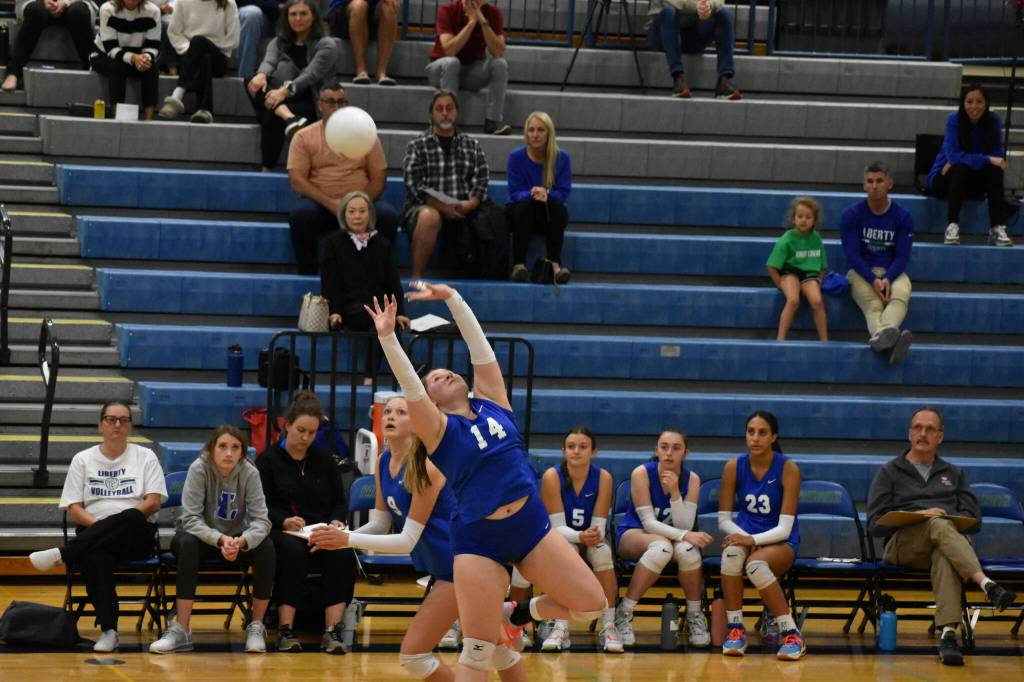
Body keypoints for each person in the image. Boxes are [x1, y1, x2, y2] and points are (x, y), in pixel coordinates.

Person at [365, 284, 606, 681]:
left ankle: (518, 614)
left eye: (448, 370)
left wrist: (453, 299)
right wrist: (389, 337)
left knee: (593, 604)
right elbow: (411, 386)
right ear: (432, 402)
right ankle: (498, 628)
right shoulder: (439, 429)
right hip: (479, 540)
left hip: (529, 525)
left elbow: (481, 350)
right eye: (436, 379)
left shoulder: (493, 401)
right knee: (477, 654)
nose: (446, 373)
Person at [309, 395, 528, 681]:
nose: (390, 416)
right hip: (449, 568)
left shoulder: (427, 465)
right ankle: (503, 614)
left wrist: (346, 540)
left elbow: (407, 540)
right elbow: (379, 523)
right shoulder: (384, 460)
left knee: (415, 654)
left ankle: (506, 612)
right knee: (497, 648)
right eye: (387, 411)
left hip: (466, 566)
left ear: (418, 423)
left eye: (401, 412)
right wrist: (335, 535)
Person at [867, 406, 1017, 666]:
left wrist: (945, 520)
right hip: (904, 546)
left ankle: (948, 635)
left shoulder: (954, 473)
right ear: (909, 433)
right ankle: (986, 584)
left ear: (940, 437)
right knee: (936, 523)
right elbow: (874, 524)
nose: (923, 433)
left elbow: (974, 521)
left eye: (930, 429)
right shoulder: (889, 471)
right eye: (917, 427)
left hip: (947, 547)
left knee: (943, 548)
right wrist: (919, 515)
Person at [28, 401, 167, 653]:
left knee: (132, 516)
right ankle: (109, 631)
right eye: (111, 419)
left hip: (135, 536)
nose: (117, 424)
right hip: (93, 535)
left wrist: (116, 523)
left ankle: (63, 554)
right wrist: (101, 527)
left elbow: (153, 502)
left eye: (123, 420)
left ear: (130, 427)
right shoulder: (83, 459)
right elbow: (73, 507)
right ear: (100, 424)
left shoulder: (146, 456)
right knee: (95, 553)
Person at [149, 425, 276, 654]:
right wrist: (220, 539)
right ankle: (182, 629)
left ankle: (256, 625)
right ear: (212, 448)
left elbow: (262, 521)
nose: (228, 453)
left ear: (242, 452)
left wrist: (243, 541)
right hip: (200, 537)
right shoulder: (199, 468)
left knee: (267, 547)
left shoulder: (250, 472)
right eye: (223, 446)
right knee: (186, 544)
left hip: (237, 541)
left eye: (235, 448)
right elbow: (190, 519)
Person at [256, 390, 359, 654]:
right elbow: (260, 506)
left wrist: (337, 521)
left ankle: (332, 631)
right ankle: (286, 629)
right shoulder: (267, 461)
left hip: (321, 530)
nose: (305, 438)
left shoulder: (324, 460)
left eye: (312, 433)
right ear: (287, 425)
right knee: (292, 552)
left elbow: (339, 500)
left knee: (342, 552)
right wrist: (284, 521)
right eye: (300, 430)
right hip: (284, 530)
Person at [718, 410, 805, 660]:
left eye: (762, 433)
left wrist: (753, 541)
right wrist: (745, 538)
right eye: (751, 432)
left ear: (773, 437)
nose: (755, 438)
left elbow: (785, 528)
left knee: (755, 565)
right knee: (731, 555)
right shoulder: (733, 466)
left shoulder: (788, 468)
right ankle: (735, 629)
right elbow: (723, 520)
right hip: (745, 535)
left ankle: (791, 634)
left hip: (781, 541)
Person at [287, 81, 399, 274]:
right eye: (330, 102)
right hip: (322, 205)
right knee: (300, 216)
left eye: (341, 102)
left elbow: (379, 176)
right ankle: (309, 275)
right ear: (320, 105)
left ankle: (375, 275)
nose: (337, 107)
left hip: (360, 203)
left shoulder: (365, 133)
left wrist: (357, 205)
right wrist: (331, 203)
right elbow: (297, 180)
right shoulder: (304, 136)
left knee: (388, 216)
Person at [613, 430, 711, 649]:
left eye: (676, 448)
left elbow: (684, 525)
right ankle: (624, 613)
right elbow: (648, 523)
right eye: (664, 447)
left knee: (688, 551)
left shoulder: (692, 479)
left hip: (672, 538)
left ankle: (695, 616)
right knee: (662, 547)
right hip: (634, 534)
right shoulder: (642, 473)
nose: (669, 453)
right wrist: (686, 535)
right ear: (656, 450)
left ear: (685, 452)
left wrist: (675, 493)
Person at [528, 427, 621, 653]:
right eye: (571, 447)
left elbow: (599, 524)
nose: (576, 451)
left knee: (602, 552)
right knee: (566, 550)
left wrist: (592, 535)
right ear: (564, 451)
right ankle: (561, 626)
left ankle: (609, 624)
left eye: (583, 447)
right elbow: (557, 527)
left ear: (594, 452)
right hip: (562, 537)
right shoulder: (552, 476)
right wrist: (579, 537)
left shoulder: (603, 478)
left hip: (589, 537)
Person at [319, 190, 409, 384]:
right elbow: (330, 282)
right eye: (351, 211)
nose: (357, 216)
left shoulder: (383, 244)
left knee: (380, 324)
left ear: (370, 214)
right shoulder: (333, 244)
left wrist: (400, 311)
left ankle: (370, 377)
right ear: (344, 215)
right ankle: (408, 372)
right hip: (349, 308)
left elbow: (393, 282)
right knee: (382, 321)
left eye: (362, 211)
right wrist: (333, 310)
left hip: (377, 308)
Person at [403, 90, 490, 279]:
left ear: (456, 112)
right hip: (424, 208)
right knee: (429, 217)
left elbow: (481, 179)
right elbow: (413, 184)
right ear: (432, 113)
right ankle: (416, 280)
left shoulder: (472, 145)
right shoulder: (417, 145)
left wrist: (470, 204)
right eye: (439, 109)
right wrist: (442, 207)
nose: (444, 113)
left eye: (449, 108)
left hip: (463, 209)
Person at [245, 0, 338, 171]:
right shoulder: (279, 41)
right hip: (282, 100)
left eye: (303, 14)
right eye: (293, 14)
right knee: (251, 80)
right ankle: (288, 118)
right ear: (286, 17)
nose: (297, 19)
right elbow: (269, 61)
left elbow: (311, 75)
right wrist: (261, 74)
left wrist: (284, 92)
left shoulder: (326, 45)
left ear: (314, 16)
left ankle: (266, 170)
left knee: (270, 114)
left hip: (310, 100)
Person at [839, 161, 914, 365]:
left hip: (892, 271)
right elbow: (853, 256)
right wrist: (873, 279)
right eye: (869, 181)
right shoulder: (851, 215)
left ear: (889, 183)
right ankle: (892, 339)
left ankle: (883, 338)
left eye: (879, 181)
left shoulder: (903, 216)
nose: (874, 186)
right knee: (873, 304)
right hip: (861, 272)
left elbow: (902, 256)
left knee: (900, 295)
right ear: (864, 185)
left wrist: (888, 278)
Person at [929, 84, 1014, 247]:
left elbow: (998, 156)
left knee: (995, 169)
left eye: (979, 101)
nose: (974, 106)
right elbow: (954, 157)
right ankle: (952, 226)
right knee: (960, 167)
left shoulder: (993, 120)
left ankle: (996, 227)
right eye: (969, 101)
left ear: (986, 103)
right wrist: (986, 159)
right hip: (944, 178)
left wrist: (977, 160)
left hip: (972, 179)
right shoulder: (954, 120)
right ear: (963, 103)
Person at [426, 0, 510, 135]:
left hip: (471, 71)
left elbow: (498, 52)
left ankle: (492, 123)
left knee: (500, 64)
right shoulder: (447, 10)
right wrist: (471, 24)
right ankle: (447, 123)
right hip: (441, 69)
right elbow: (449, 50)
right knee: (452, 62)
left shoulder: (493, 13)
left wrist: (481, 20)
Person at [506, 111, 572, 284]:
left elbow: (563, 193)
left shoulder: (562, 158)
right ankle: (519, 265)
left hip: (547, 212)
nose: (535, 135)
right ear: (526, 133)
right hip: (522, 210)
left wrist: (547, 194)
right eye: (531, 130)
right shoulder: (516, 157)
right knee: (524, 207)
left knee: (558, 208)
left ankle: (555, 266)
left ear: (549, 133)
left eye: (541, 130)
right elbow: (514, 193)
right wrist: (532, 193)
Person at [159, 0, 240, 123]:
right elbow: (174, 32)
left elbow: (233, 39)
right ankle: (204, 110)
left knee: (199, 42)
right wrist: (192, 51)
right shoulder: (183, 2)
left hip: (219, 57)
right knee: (204, 56)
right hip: (191, 57)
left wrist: (205, 46)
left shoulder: (229, 3)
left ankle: (177, 94)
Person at [648, 0, 741, 99]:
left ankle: (724, 80)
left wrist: (710, 5)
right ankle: (678, 77)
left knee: (725, 13)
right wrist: (697, 6)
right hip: (663, 34)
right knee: (668, 11)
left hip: (692, 34)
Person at [766, 196, 828, 342]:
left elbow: (823, 266)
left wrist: (818, 280)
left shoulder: (816, 239)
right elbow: (771, 266)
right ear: (793, 219)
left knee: (817, 301)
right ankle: (780, 340)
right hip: (790, 273)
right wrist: (780, 284)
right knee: (793, 300)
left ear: (814, 221)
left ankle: (824, 341)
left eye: (808, 217)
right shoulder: (786, 240)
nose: (803, 220)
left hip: (809, 274)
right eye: (800, 216)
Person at [89, 0, 161, 121]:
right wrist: (133, 58)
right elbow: (111, 48)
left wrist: (145, 58)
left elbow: (153, 45)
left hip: (138, 56)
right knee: (118, 67)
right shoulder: (107, 9)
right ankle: (117, 117)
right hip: (104, 55)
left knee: (151, 68)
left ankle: (149, 121)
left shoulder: (153, 11)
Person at [2, 0, 95, 92]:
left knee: (78, 12)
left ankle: (93, 70)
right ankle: (13, 73)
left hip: (73, 3)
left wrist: (65, 2)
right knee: (36, 10)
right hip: (36, 4)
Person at [326, 0, 399, 85]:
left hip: (371, 14)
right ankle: (361, 70)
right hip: (343, 11)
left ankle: (381, 72)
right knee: (359, 5)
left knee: (389, 6)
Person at [235, 0, 279, 80]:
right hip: (254, 14)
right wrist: (276, 6)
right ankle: (245, 79)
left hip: (280, 16)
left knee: (297, 12)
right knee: (252, 13)